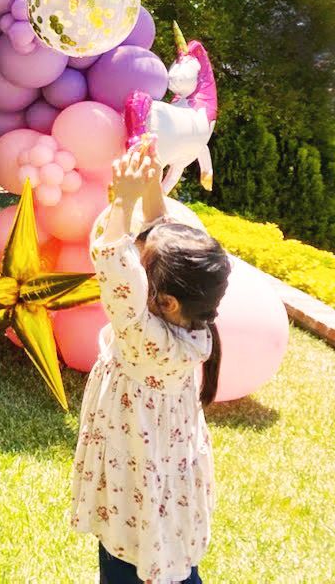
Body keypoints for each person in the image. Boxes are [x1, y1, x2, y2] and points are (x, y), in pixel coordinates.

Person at [70, 140, 231, 583]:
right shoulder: (193, 322)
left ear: (165, 299)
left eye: (144, 266)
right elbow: (171, 241)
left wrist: (123, 202)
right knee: (169, 547)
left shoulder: (143, 339)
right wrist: (150, 194)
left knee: (128, 557)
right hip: (164, 469)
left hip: (135, 477)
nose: (136, 263)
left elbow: (111, 263)